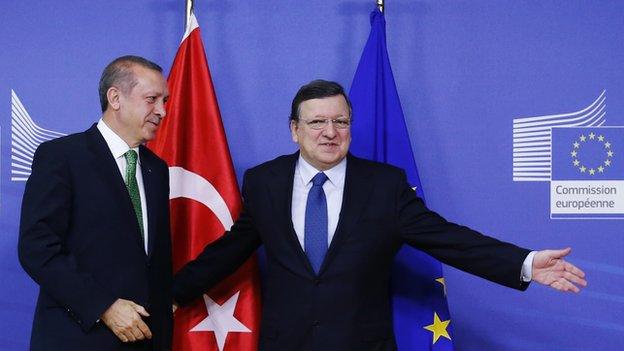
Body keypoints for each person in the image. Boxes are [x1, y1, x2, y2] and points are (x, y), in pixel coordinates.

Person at [172, 80, 587, 351]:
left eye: (340, 121)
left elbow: (447, 238)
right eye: (317, 122)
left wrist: (527, 263)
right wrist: (173, 294)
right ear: (294, 130)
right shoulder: (264, 181)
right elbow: (232, 248)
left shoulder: (385, 185)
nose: (330, 132)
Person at [18, 55, 173, 351]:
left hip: (146, 341)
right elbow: (36, 247)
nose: (162, 111)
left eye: (164, 101)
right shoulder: (62, 157)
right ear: (115, 98)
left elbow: (155, 263)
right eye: (152, 99)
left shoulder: (157, 169)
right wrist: (105, 307)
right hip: (79, 338)